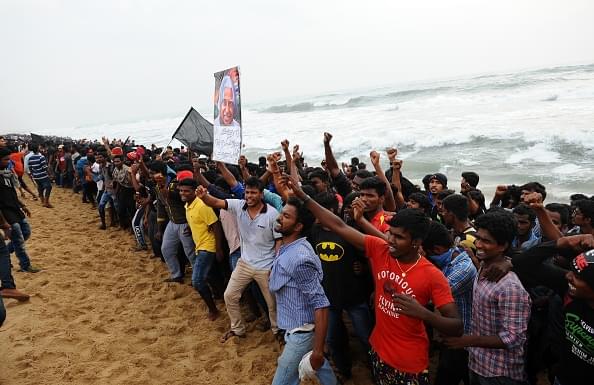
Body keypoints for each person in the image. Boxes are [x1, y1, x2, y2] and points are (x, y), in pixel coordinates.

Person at [284, 175, 462, 385]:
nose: (390, 240)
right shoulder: (381, 250)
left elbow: (456, 326)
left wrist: (423, 313)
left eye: (398, 237)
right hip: (378, 350)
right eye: (391, 234)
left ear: (417, 242)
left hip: (409, 362)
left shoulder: (432, 274)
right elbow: (339, 226)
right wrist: (303, 196)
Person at [444, 210, 531, 385]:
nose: (478, 244)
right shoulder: (485, 265)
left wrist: (469, 340)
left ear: (503, 245)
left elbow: (513, 338)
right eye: (478, 238)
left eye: (486, 241)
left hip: (499, 372)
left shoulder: (509, 287)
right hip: (478, 361)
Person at [196, 176, 281, 343]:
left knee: (272, 305)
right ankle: (237, 329)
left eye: (254, 193)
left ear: (261, 194)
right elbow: (216, 202)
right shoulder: (238, 205)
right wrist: (203, 196)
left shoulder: (273, 214)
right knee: (229, 296)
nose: (249, 196)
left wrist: (276, 264)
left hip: (266, 266)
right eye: (247, 192)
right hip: (245, 263)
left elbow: (279, 240)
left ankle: (278, 331)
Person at [269, 196, 338, 385]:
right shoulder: (289, 247)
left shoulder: (299, 259)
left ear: (298, 226)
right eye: (281, 213)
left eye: (286, 216)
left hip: (302, 332)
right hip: (298, 329)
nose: (279, 218)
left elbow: (321, 304)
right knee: (321, 370)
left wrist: (317, 351)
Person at [309, 191, 372, 381]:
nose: (316, 217)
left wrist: (363, 267)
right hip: (329, 298)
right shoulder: (315, 231)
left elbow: (369, 253)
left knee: (366, 337)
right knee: (332, 339)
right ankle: (344, 370)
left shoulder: (349, 230)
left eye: (319, 212)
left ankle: (375, 368)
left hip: (354, 296)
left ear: (330, 211)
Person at [423, 221, 477, 385]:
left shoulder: (463, 270)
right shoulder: (450, 258)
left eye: (424, 251)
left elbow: (429, 297)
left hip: (464, 340)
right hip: (451, 334)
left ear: (437, 250)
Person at [178, 178, 223, 321]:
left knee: (197, 281)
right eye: (181, 190)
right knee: (210, 275)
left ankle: (213, 310)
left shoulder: (202, 205)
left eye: (186, 191)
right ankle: (219, 295)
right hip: (199, 245)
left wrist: (219, 249)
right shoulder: (188, 205)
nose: (183, 193)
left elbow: (215, 225)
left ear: (194, 192)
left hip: (207, 246)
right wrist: (190, 229)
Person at [0, 148, 41, 273]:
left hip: (15, 208)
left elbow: (12, 193)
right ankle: (25, 265)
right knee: (18, 239)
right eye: (6, 159)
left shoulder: (7, 173)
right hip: (5, 212)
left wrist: (23, 205)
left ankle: (4, 254)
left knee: (26, 232)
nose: (9, 161)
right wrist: (3, 223)